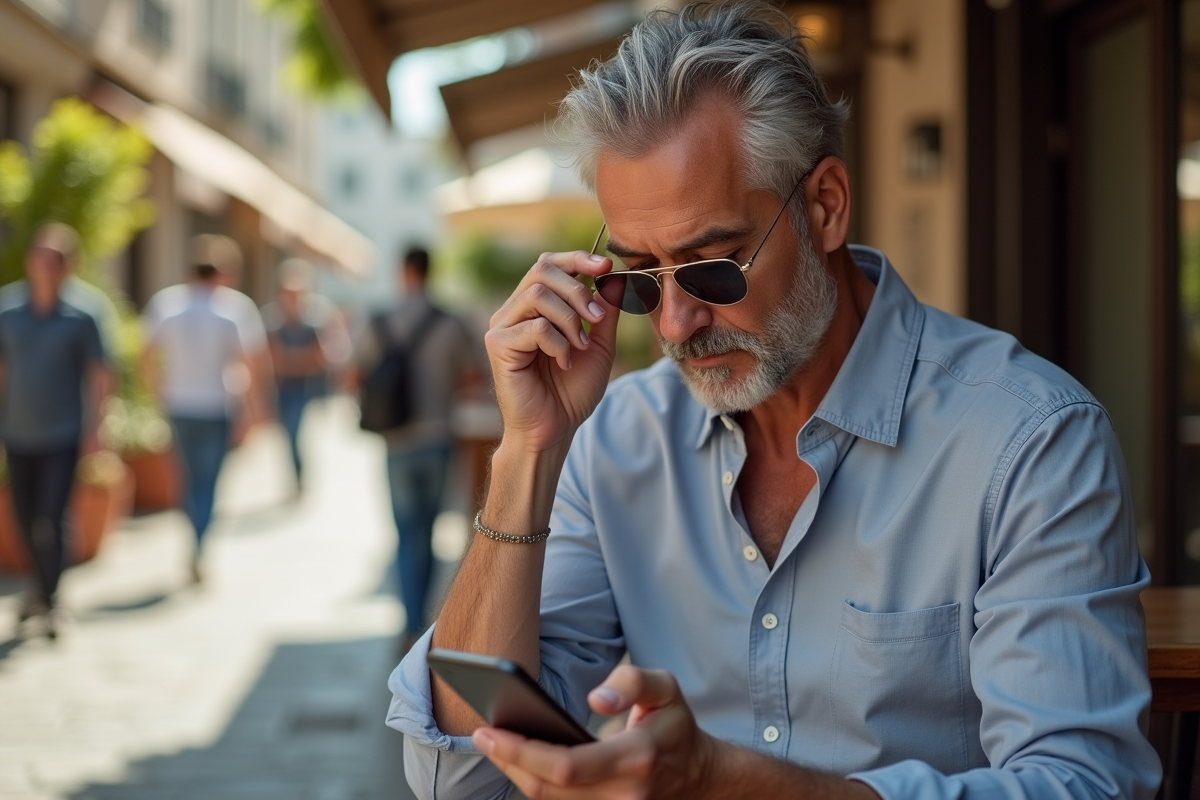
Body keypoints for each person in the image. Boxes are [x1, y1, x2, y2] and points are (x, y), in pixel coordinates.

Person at [386, 3, 1160, 799]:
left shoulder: (1029, 443)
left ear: (824, 205)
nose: (679, 324)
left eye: (713, 265)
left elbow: (1085, 785)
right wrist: (529, 450)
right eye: (640, 280)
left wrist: (726, 782)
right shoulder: (617, 438)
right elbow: (460, 774)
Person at [355, 247, 481, 652]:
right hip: (439, 437)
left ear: (402, 272)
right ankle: (422, 619)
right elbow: (472, 374)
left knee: (405, 532)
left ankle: (410, 623)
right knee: (428, 533)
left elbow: (356, 373)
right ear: (429, 271)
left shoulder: (379, 320)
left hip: (396, 440)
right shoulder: (451, 323)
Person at [0, 223, 110, 638]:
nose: (46, 265)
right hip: (17, 430)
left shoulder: (84, 313)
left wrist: (97, 428)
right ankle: (38, 589)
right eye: (40, 255)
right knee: (24, 517)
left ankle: (51, 600)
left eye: (56, 258)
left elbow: (99, 374)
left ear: (68, 265)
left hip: (64, 431)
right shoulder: (8, 310)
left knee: (53, 516)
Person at [140, 235, 269, 583]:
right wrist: (254, 411)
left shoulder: (166, 305)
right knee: (208, 483)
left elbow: (146, 356)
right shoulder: (233, 309)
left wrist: (158, 393)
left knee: (187, 480)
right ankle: (200, 543)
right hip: (215, 407)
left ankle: (194, 542)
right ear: (222, 272)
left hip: (180, 405)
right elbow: (250, 365)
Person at [261, 259, 351, 495]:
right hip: (280, 388)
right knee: (287, 434)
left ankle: (299, 475)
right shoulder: (271, 320)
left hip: (305, 388)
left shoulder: (315, 321)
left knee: (295, 431)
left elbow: (319, 358)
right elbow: (273, 360)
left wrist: (291, 360)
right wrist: (299, 359)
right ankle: (297, 474)